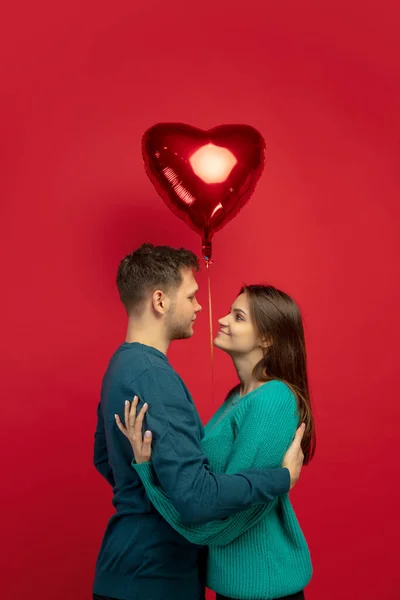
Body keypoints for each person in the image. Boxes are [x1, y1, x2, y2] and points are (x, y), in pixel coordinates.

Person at [93, 243, 305, 600]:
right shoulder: (155, 377)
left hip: (142, 570)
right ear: (160, 301)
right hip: (154, 575)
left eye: (238, 316)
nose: (202, 307)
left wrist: (143, 476)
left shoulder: (121, 367)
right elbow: (198, 498)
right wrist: (282, 478)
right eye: (191, 296)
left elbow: (105, 459)